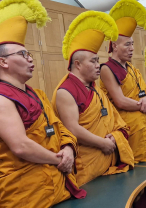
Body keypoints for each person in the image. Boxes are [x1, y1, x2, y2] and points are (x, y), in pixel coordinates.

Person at [0, 0, 86, 208]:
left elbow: (59, 127)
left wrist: (69, 149)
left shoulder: (37, 94)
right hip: (25, 193)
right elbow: (21, 146)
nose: (30, 60)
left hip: (56, 184)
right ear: (3, 62)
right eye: (23, 54)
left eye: (30, 55)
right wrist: (59, 160)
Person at [51, 11, 134, 186]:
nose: (98, 66)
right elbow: (72, 129)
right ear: (78, 64)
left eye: (98, 61)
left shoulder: (94, 88)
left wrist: (114, 137)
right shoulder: (65, 91)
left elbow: (112, 118)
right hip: (86, 167)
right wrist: (102, 143)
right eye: (94, 62)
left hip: (108, 160)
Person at [99, 0, 146, 163]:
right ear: (114, 46)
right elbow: (120, 101)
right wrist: (143, 105)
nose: (132, 48)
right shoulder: (107, 69)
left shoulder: (132, 69)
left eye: (133, 44)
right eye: (127, 45)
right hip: (130, 129)